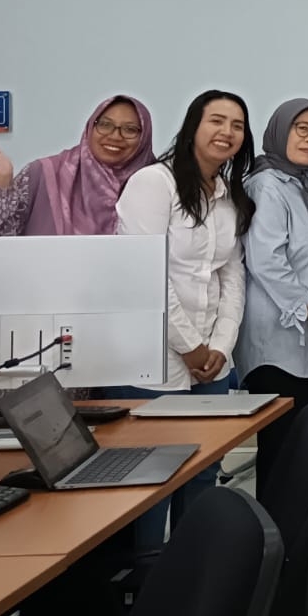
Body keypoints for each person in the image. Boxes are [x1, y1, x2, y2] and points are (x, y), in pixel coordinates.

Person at [111, 90, 254, 548]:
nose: (227, 132)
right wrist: (189, 345)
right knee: (152, 475)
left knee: (203, 469)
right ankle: (147, 572)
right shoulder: (154, 183)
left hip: (211, 358)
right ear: (193, 126)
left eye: (237, 125)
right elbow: (145, 272)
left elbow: (232, 277)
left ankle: (196, 567)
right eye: (217, 120)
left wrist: (221, 347)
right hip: (152, 354)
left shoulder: (228, 195)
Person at [236, 98, 308, 493]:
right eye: (302, 129)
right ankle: (275, 527)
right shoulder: (266, 185)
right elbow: (266, 260)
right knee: (282, 448)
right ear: (280, 131)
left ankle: (305, 524)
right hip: (277, 340)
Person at [0, 95, 154, 236]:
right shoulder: (43, 175)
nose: (115, 136)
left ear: (144, 137)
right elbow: (1, 238)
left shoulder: (154, 183)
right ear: (90, 127)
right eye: (105, 125)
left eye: (130, 129)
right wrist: (3, 183)